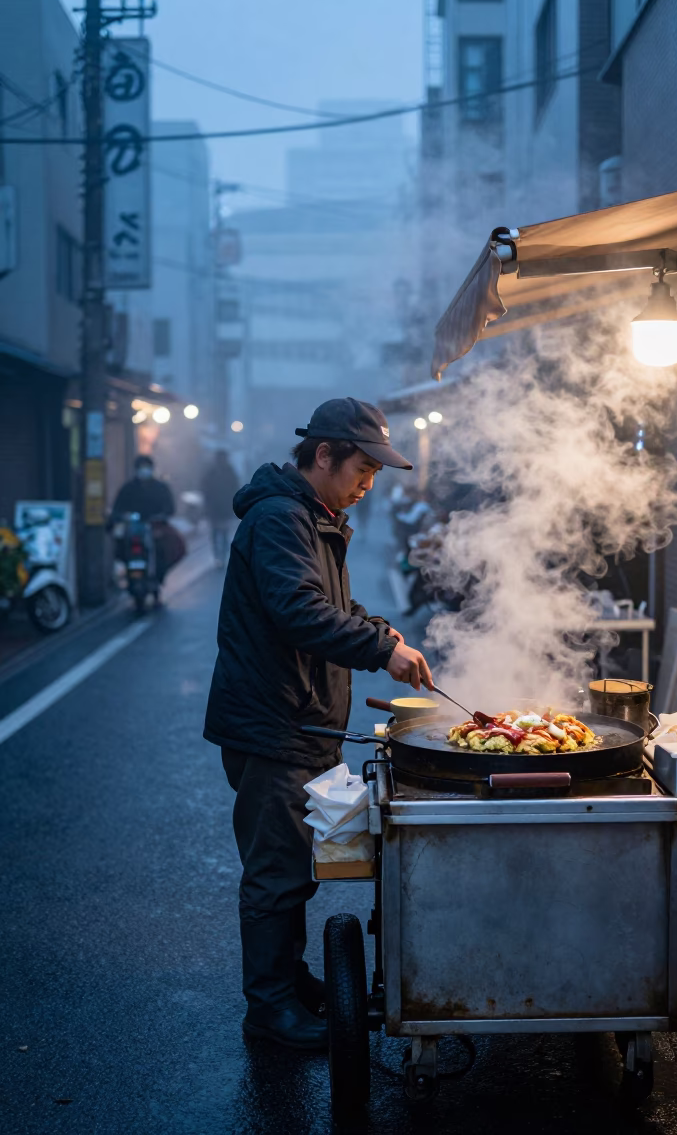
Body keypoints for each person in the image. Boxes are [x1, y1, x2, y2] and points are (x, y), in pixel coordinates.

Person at [203, 398, 434, 1052]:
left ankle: (287, 979)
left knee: (293, 864)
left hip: (299, 722)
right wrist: (380, 649)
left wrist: (377, 628)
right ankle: (268, 1008)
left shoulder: (317, 517)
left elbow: (331, 604)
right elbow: (297, 610)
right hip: (274, 722)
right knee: (276, 870)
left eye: (375, 473)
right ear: (324, 454)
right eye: (362, 468)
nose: (369, 483)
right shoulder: (281, 519)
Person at [110, 455, 184, 588]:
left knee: (171, 546)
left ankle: (158, 576)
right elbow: (118, 507)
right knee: (120, 545)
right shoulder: (128, 488)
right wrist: (118, 517)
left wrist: (161, 516)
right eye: (141, 468)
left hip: (156, 527)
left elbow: (170, 507)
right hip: (133, 526)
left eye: (146, 468)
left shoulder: (160, 488)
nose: (144, 471)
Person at [201, 449, 240, 566]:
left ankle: (222, 555)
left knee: (224, 533)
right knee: (215, 533)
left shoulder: (230, 472)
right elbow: (205, 489)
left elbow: (235, 488)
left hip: (225, 508)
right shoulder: (211, 473)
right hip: (214, 508)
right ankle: (217, 555)